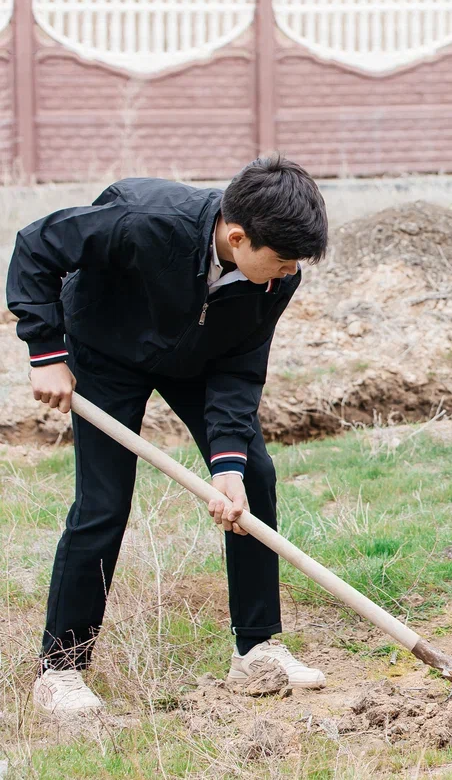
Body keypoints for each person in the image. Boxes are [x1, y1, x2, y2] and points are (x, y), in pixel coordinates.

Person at [7, 155, 331, 718]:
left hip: (198, 362)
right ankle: (61, 669)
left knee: (252, 474)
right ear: (237, 237)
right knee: (103, 505)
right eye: (278, 261)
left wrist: (226, 464)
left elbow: (241, 366)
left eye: (292, 264)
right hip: (107, 356)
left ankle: (256, 650)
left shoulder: (277, 275)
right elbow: (37, 246)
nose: (285, 274)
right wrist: (46, 354)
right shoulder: (143, 221)